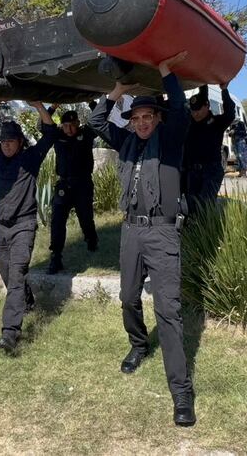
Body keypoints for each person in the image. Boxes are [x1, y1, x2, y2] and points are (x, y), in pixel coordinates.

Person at [89, 51, 196, 428]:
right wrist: (117, 91)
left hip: (163, 230)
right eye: (136, 118)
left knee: (168, 311)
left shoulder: (171, 139)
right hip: (131, 230)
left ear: (157, 118)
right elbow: (96, 119)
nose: (142, 123)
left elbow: (181, 111)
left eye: (147, 116)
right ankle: (138, 345)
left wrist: (166, 70)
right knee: (127, 298)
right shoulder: (127, 141)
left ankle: (181, 393)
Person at [0, 99, 59, 354]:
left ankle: (10, 333)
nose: (6, 144)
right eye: (3, 140)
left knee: (16, 275)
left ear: (20, 142)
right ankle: (27, 300)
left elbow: (49, 133)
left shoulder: (30, 158)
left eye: (11, 140)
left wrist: (38, 106)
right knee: (4, 267)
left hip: (23, 225)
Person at [45, 106, 99, 275]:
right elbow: (43, 125)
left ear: (78, 123)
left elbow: (99, 119)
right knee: (58, 221)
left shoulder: (86, 135)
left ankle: (91, 239)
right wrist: (52, 107)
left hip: (83, 184)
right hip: (64, 184)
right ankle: (56, 256)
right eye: (65, 125)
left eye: (72, 125)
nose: (69, 129)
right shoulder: (58, 136)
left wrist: (91, 102)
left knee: (85, 217)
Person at [182, 84, 235, 212]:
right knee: (191, 205)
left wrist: (224, 90)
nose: (195, 113)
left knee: (205, 205)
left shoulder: (217, 122)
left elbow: (230, 113)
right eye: (193, 110)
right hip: (192, 171)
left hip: (211, 170)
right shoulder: (189, 123)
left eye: (198, 109)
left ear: (207, 106)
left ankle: (206, 230)